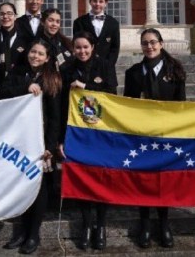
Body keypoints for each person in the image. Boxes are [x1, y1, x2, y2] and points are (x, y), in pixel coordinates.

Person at [0, 39, 61, 254]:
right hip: (18, 141)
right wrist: (25, 88)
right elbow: (2, 94)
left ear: (47, 58)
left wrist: (50, 146)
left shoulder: (52, 79)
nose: (35, 56)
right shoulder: (17, 73)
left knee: (39, 188)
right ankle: (22, 232)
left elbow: (55, 117)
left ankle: (34, 234)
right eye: (33, 51)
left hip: (41, 142)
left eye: (40, 54)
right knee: (22, 186)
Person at [123, 28, 186, 249]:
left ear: (161, 43)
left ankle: (164, 224)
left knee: (164, 181)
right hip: (142, 136)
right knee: (144, 180)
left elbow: (181, 106)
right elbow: (127, 106)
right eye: (145, 43)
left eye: (152, 42)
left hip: (166, 136)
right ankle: (145, 225)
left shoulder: (176, 70)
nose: (149, 47)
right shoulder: (132, 73)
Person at [59, 31, 118, 250]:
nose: (82, 51)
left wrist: (87, 88)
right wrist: (60, 139)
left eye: (85, 47)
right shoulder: (66, 69)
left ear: (92, 46)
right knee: (83, 179)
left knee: (101, 178)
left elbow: (112, 93)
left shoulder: (104, 65)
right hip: (76, 133)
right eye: (78, 48)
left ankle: (100, 226)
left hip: (101, 133)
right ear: (73, 49)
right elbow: (60, 104)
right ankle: (86, 225)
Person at [72, 0, 120, 66]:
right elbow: (77, 45)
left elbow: (115, 48)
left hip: (107, 68)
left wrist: (108, 65)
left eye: (101, 1)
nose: (97, 4)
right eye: (95, 1)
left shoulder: (113, 23)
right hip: (85, 67)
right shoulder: (79, 22)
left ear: (106, 3)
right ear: (90, 2)